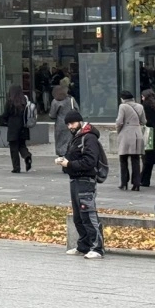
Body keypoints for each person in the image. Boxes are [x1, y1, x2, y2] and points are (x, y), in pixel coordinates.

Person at [55, 111, 104, 259]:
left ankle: (97, 248)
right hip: (75, 179)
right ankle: (84, 245)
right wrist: (64, 161)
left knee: (88, 214)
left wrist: (69, 163)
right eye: (68, 124)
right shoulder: (77, 137)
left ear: (80, 122)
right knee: (78, 216)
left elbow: (90, 161)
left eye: (72, 123)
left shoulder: (89, 137)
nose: (70, 126)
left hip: (85, 180)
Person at [115, 90, 147, 192]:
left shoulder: (122, 106)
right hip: (137, 134)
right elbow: (144, 121)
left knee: (123, 159)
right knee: (136, 159)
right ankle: (136, 183)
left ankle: (124, 182)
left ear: (122, 98)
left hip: (126, 133)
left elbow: (119, 121)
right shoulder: (140, 106)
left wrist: (118, 131)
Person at [0, 85, 33, 173]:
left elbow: (6, 114)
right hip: (23, 127)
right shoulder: (24, 101)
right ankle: (27, 155)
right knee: (22, 145)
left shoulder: (10, 102)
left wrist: (0, 120)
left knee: (14, 148)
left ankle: (16, 167)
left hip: (13, 127)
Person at [48, 85, 77, 156]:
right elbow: (77, 109)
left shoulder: (55, 101)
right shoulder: (71, 99)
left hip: (60, 124)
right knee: (70, 138)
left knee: (60, 140)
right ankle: (70, 151)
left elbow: (52, 115)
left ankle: (61, 154)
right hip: (71, 122)